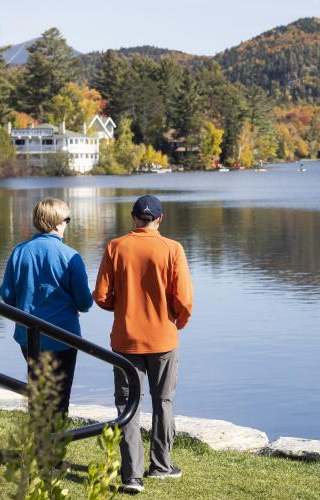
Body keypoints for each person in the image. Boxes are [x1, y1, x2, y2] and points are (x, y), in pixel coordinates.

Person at [93, 194, 193, 495]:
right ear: (159, 219)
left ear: (133, 217)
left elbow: (100, 296)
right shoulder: (173, 249)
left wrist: (122, 308)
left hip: (125, 340)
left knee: (127, 405)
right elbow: (184, 301)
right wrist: (175, 321)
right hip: (163, 339)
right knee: (163, 402)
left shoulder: (115, 247)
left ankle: (131, 475)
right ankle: (162, 465)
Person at [0, 198, 93, 415]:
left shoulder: (19, 252)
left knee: (38, 392)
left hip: (28, 337)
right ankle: (54, 443)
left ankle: (37, 443)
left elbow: (6, 294)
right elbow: (84, 302)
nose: (67, 224)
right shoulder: (71, 257)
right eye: (67, 219)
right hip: (63, 338)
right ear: (58, 223)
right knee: (59, 397)